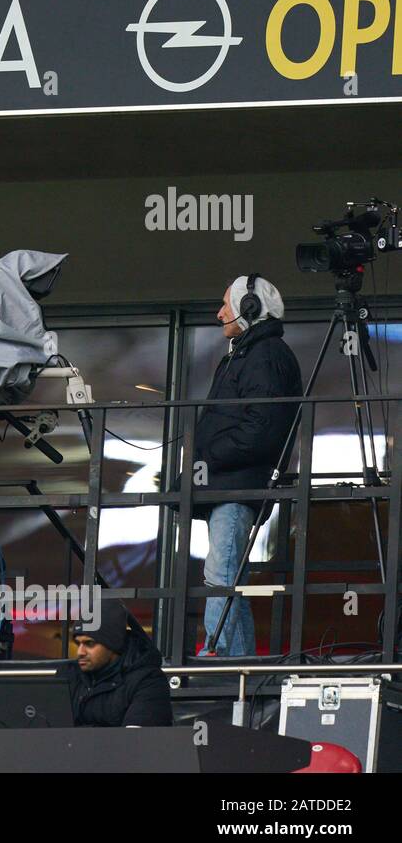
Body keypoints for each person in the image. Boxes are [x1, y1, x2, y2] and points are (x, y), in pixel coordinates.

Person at [193, 274, 302, 657]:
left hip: (237, 483)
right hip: (229, 482)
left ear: (248, 309)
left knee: (222, 574)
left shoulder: (265, 355)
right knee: (222, 575)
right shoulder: (249, 353)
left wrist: (212, 455)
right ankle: (229, 656)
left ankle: (223, 656)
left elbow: (262, 429)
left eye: (226, 304)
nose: (219, 312)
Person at [59, 600, 172, 727]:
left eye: (89, 644)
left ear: (112, 645)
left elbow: (136, 742)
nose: (80, 652)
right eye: (78, 643)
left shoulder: (148, 681)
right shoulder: (68, 676)